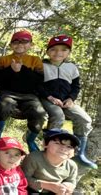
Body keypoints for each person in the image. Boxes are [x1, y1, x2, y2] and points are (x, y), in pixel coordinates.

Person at [38, 35, 97, 169]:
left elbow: (76, 87)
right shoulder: (42, 65)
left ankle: (79, 153)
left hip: (66, 100)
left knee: (85, 119)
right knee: (58, 116)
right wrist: (50, 97)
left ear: (69, 52)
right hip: (48, 99)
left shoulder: (71, 67)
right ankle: (49, 151)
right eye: (54, 49)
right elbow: (37, 85)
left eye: (63, 50)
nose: (58, 53)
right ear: (48, 51)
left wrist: (71, 99)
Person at [0, 30, 46, 152]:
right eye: (16, 42)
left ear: (31, 45)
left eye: (24, 42)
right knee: (3, 107)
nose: (20, 45)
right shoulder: (4, 60)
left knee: (39, 113)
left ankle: (30, 138)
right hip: (8, 93)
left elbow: (39, 80)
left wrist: (22, 69)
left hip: (29, 95)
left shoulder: (35, 60)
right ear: (11, 45)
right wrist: (10, 70)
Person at [22, 129, 80, 194]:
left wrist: (67, 186)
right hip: (33, 190)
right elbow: (23, 178)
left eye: (69, 147)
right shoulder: (34, 158)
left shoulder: (72, 165)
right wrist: (48, 185)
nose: (63, 149)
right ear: (45, 144)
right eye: (58, 143)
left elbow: (71, 181)